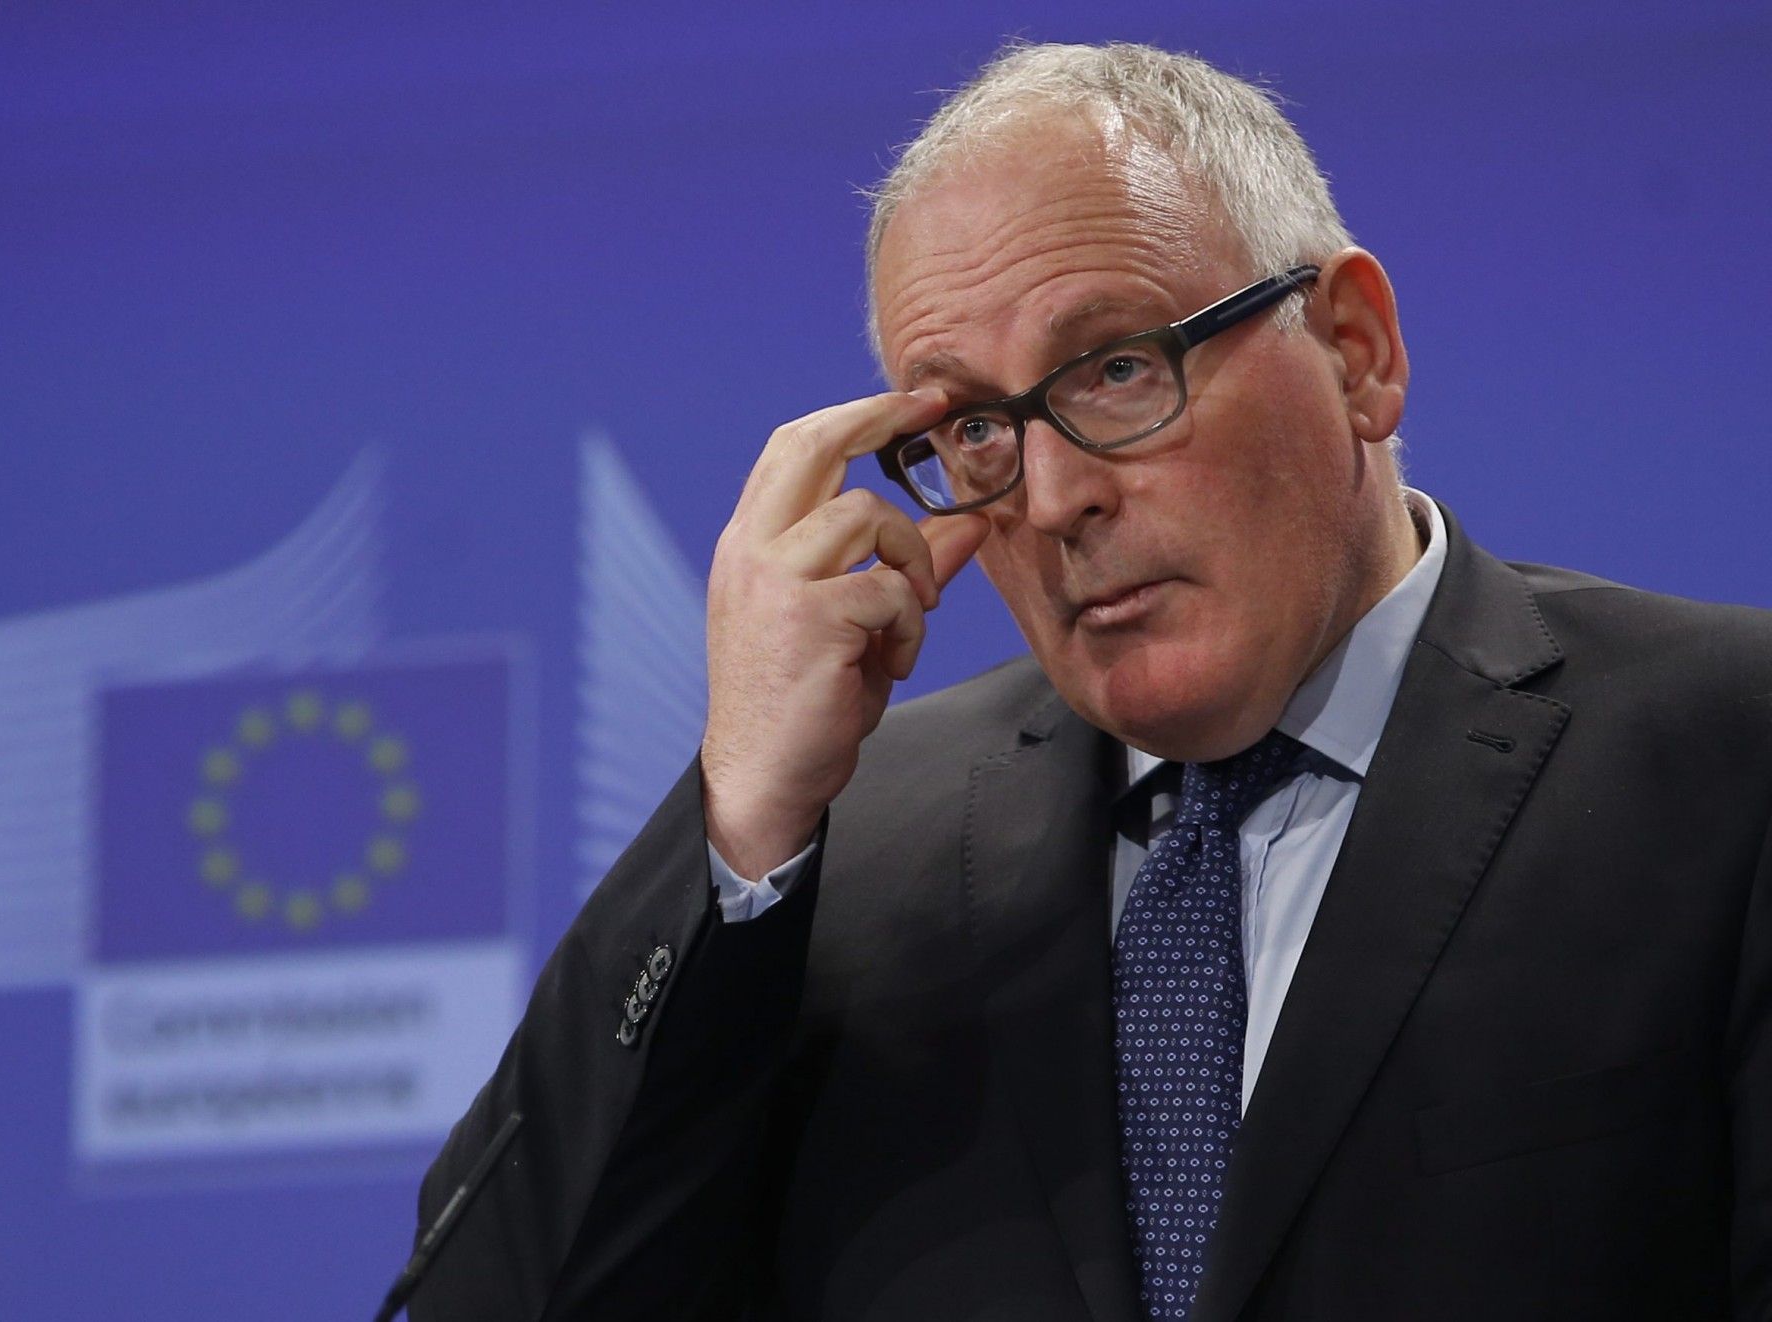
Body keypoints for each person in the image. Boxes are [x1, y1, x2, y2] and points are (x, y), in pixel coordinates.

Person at [407, 42, 1772, 1321]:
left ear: (1355, 349)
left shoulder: (1726, 753)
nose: (1054, 497)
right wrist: (744, 807)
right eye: (973, 427)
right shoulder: (830, 873)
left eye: (1120, 369)